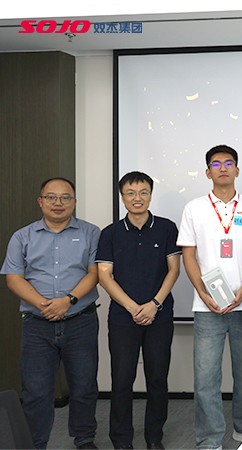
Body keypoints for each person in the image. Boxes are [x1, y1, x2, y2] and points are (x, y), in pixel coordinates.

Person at [177, 145, 242, 448]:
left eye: (229, 163)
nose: (223, 168)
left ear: (237, 170)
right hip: (208, 307)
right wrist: (202, 292)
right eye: (216, 164)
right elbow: (188, 254)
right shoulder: (194, 208)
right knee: (206, 377)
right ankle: (209, 439)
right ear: (207, 172)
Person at [1, 177, 101, 449]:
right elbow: (14, 278)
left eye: (65, 197)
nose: (58, 203)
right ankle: (35, 443)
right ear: (40, 201)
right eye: (51, 197)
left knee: (84, 386)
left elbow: (95, 273)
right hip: (37, 324)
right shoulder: (22, 236)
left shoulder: (91, 233)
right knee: (35, 390)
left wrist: (67, 301)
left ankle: (84, 438)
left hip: (80, 321)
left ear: (75, 202)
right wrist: (45, 305)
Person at [96, 172, 181, 449]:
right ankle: (122, 440)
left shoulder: (166, 228)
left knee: (157, 378)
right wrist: (133, 307)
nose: (137, 198)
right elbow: (104, 276)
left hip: (159, 316)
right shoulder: (110, 233)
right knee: (122, 380)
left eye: (143, 192)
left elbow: (174, 269)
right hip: (123, 317)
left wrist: (154, 304)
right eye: (130, 193)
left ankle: (154, 437)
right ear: (122, 197)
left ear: (151, 195)